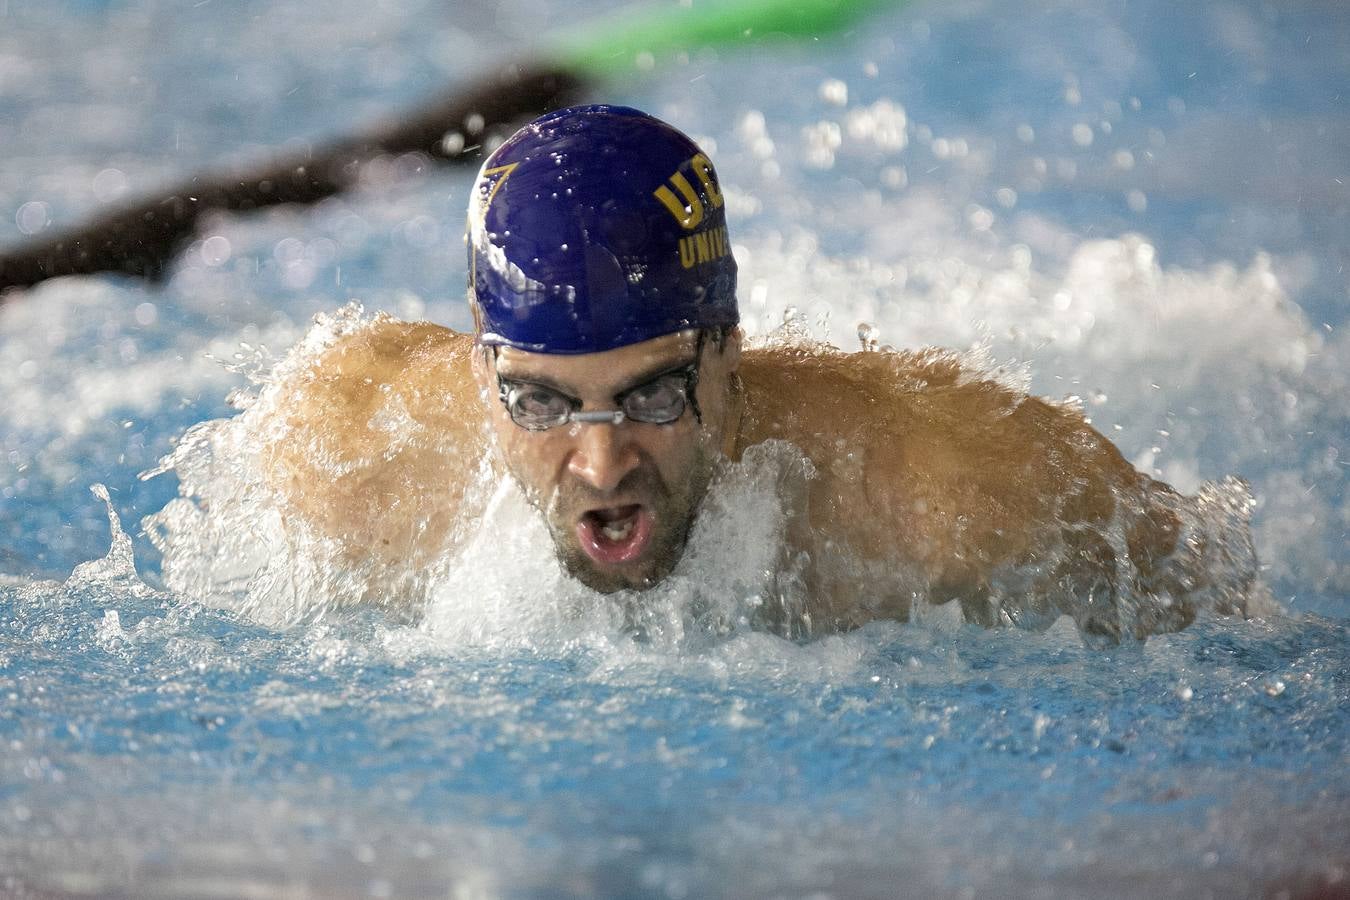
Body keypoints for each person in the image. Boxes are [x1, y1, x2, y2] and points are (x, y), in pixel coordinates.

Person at [260, 104, 1262, 643]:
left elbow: (1218, 610)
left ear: (726, 348)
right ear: (484, 360)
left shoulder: (959, 490)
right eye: (542, 401)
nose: (601, 466)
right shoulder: (345, 458)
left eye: (653, 394)